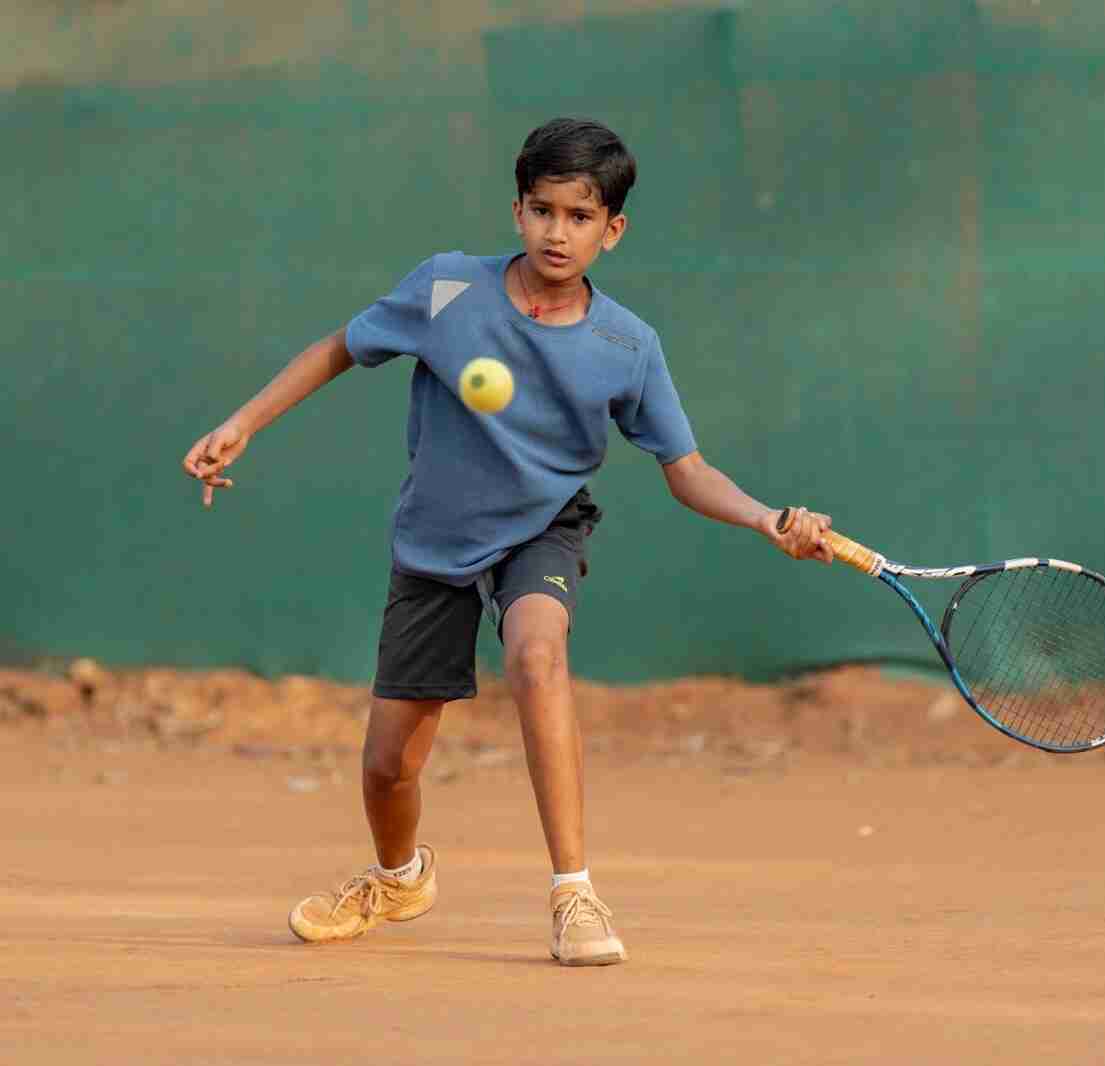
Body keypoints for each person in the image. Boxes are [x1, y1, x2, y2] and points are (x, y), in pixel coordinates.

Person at [182, 117, 833, 967]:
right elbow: (340, 347)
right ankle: (396, 876)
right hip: (437, 535)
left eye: (578, 217)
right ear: (517, 211)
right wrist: (242, 423)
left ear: (612, 230)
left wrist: (763, 518)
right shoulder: (449, 289)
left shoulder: (625, 345)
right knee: (387, 766)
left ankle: (574, 892)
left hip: (542, 527)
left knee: (537, 653)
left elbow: (686, 466)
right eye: (542, 211)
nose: (557, 233)